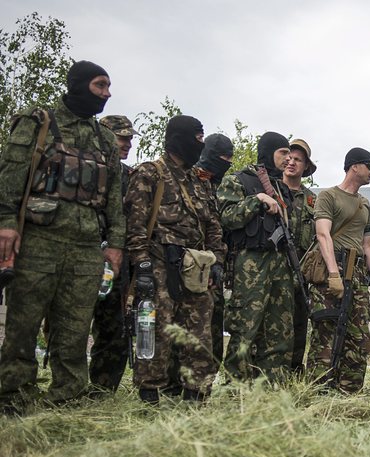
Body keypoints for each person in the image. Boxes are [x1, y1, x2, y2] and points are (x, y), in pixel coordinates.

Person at [0, 60, 124, 413]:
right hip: (38, 241)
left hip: (86, 248)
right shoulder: (39, 123)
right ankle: (14, 399)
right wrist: (6, 221)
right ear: (79, 85)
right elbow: (10, 176)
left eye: (108, 87)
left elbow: (113, 198)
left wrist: (115, 244)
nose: (107, 94)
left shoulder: (104, 139)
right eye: (101, 86)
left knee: (73, 332)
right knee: (22, 327)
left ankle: (67, 401)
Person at [125, 115, 225, 404]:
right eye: (197, 138)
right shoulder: (150, 173)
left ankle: (196, 397)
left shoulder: (200, 181)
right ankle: (151, 398)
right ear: (179, 138)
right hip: (157, 264)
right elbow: (135, 225)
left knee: (199, 337)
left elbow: (213, 225)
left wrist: (217, 261)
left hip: (195, 268)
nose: (201, 144)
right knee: (155, 334)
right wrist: (141, 266)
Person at [217, 132, 295, 383]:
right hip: (250, 264)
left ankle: (273, 385)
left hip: (279, 263)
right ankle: (235, 387)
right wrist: (257, 200)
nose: (288, 158)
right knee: (245, 327)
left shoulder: (281, 187)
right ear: (268, 152)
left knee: (280, 328)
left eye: (290, 154)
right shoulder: (237, 180)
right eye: (283, 153)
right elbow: (226, 217)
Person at [306, 148, 370, 392]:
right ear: (354, 166)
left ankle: (348, 392)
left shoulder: (364, 203)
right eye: (369, 166)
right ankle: (317, 392)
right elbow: (322, 234)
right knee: (326, 335)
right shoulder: (328, 196)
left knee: (359, 339)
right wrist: (332, 274)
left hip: (358, 273)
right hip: (333, 268)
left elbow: (368, 244)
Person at [88, 114, 139, 394]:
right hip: (84, 253)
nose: (127, 144)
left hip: (118, 263)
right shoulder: (90, 168)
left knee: (116, 329)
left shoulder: (129, 176)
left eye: (130, 139)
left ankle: (102, 390)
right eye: (122, 138)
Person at [193, 133, 234, 367]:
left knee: (214, 327)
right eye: (223, 157)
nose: (227, 163)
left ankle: (208, 375)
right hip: (187, 264)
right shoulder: (191, 180)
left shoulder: (222, 187)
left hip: (214, 268)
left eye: (230, 159)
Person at [283, 139, 317, 373]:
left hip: (302, 272)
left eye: (298, 160)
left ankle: (294, 370)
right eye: (290, 158)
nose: (292, 163)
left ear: (306, 167)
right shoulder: (271, 189)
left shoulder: (313, 200)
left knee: (299, 323)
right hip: (273, 270)